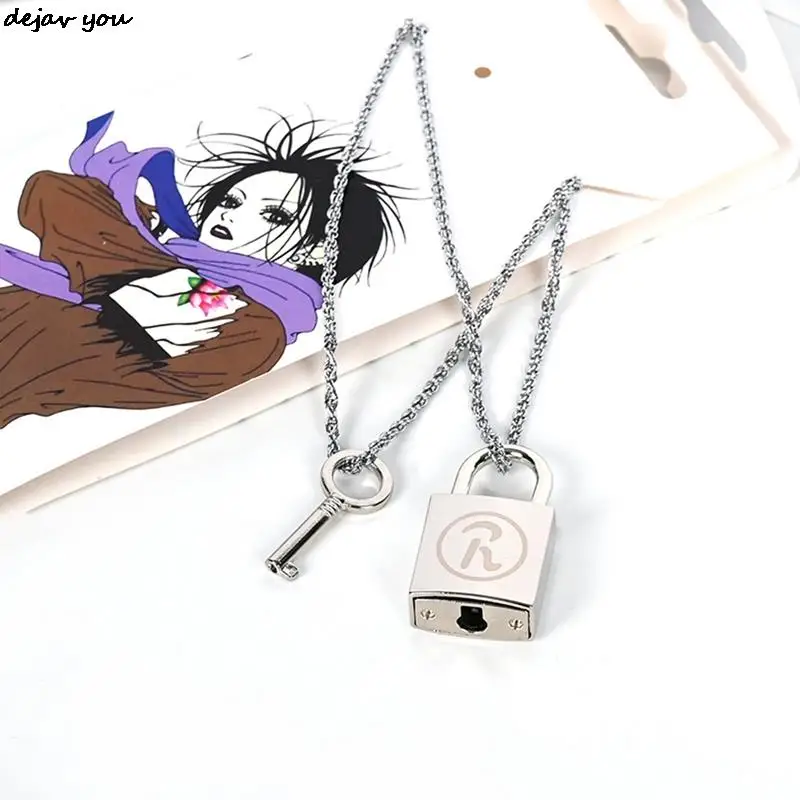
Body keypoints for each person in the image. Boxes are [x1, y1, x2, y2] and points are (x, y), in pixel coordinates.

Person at [0, 112, 404, 429]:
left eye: (274, 216)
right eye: (231, 201)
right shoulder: (151, 256)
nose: (231, 216)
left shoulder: (258, 328)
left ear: (316, 250)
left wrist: (125, 211)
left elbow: (65, 206)